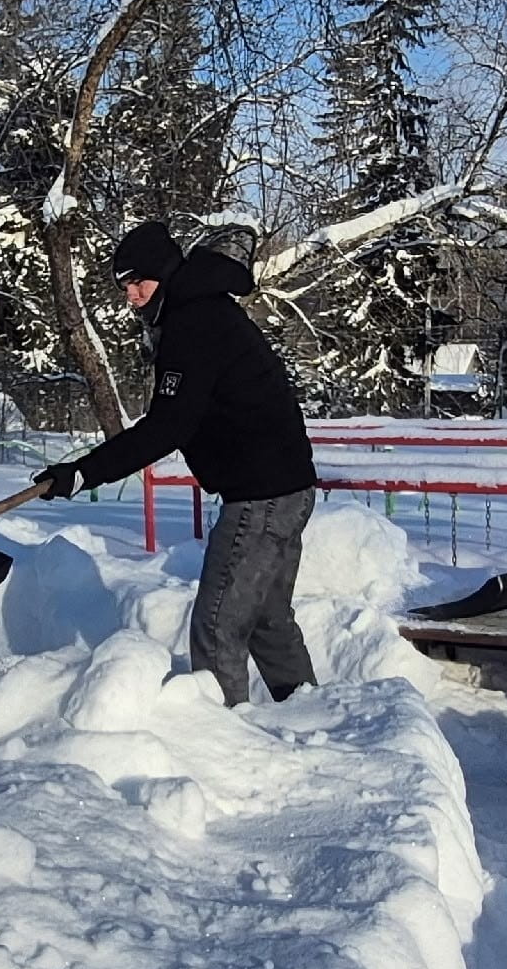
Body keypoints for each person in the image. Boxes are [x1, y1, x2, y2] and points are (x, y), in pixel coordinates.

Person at [41, 223, 318, 707]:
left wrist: (82, 473)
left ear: (165, 276)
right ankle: (311, 715)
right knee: (267, 620)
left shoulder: (194, 325)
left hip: (260, 496)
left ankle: (223, 746)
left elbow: (166, 427)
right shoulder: (204, 313)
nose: (130, 295)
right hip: (285, 488)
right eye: (123, 284)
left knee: (217, 627)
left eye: (138, 282)